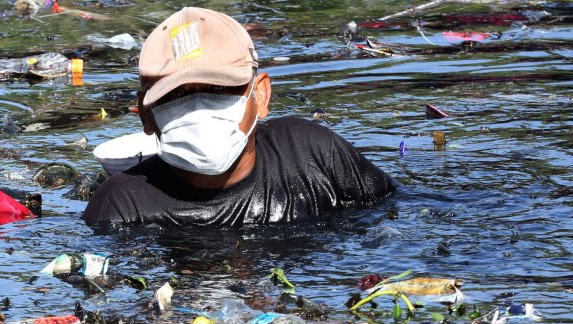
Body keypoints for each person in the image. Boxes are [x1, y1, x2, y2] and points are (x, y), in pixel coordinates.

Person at [82, 7, 395, 228]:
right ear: (147, 115)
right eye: (175, 95)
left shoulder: (312, 154)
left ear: (260, 94)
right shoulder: (124, 206)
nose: (199, 108)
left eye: (219, 87)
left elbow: (394, 214)